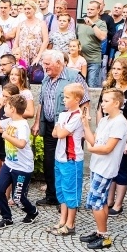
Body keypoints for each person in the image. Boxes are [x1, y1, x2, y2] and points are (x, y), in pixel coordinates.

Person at [32, 50, 90, 207]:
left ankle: (66, 200)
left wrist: (84, 124)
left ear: (59, 63)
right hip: (51, 126)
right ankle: (52, 195)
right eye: (44, 63)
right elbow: (41, 102)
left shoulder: (74, 76)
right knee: (50, 161)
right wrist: (37, 122)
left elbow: (85, 101)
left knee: (67, 163)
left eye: (47, 64)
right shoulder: (46, 79)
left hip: (69, 127)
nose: (45, 67)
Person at [78, 88, 127, 250]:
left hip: (106, 168)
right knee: (101, 201)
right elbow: (93, 139)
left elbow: (107, 148)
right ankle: (100, 232)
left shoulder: (120, 122)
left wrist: (90, 148)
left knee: (97, 203)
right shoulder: (105, 120)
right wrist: (85, 124)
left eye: (106, 101)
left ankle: (104, 236)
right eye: (103, 100)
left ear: (116, 103)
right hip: (97, 165)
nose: (102, 104)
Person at [103, 57, 127, 217]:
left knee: (121, 169)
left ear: (126, 71)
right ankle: (109, 200)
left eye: (119, 69)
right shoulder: (109, 87)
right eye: (114, 69)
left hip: (125, 134)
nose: (116, 72)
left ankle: (118, 204)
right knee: (110, 168)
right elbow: (101, 110)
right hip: (109, 132)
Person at [0, 94, 38, 229]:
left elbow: (22, 143)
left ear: (12, 108)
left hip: (22, 168)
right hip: (9, 164)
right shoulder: (9, 121)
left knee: (18, 198)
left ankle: (32, 211)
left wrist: (6, 135)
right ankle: (7, 217)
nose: (4, 108)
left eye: (6, 106)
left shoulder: (22, 125)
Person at [47, 83, 85, 236]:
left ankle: (70, 224)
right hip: (60, 157)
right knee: (61, 190)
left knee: (71, 191)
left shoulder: (77, 116)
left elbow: (61, 133)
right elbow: (55, 133)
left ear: (77, 99)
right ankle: (62, 220)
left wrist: (61, 131)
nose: (64, 99)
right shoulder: (63, 114)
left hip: (72, 159)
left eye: (67, 97)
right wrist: (61, 130)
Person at [76, 0, 108, 88]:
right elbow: (76, 40)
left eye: (92, 9)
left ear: (98, 10)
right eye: (88, 9)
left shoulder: (101, 23)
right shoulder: (80, 24)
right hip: (80, 60)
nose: (89, 11)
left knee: (91, 87)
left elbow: (102, 37)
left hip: (93, 61)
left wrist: (93, 25)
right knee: (79, 87)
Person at [14, 1, 49, 69]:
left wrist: (38, 57)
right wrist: (15, 55)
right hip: (23, 56)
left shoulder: (41, 23)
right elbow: (16, 41)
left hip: (37, 55)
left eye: (29, 9)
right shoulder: (21, 24)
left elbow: (46, 40)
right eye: (25, 9)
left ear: (34, 9)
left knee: (36, 76)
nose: (27, 11)